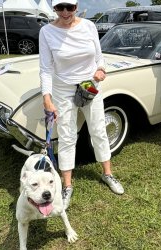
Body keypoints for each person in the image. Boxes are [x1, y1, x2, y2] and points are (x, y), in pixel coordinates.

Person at [39, 0, 124, 210]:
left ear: (77, 7)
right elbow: (46, 68)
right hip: (63, 88)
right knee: (67, 135)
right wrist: (46, 98)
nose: (65, 12)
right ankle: (67, 185)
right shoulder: (47, 32)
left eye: (70, 7)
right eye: (60, 8)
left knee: (98, 130)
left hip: (90, 85)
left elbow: (98, 56)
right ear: (54, 8)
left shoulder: (89, 26)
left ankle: (108, 174)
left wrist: (101, 69)